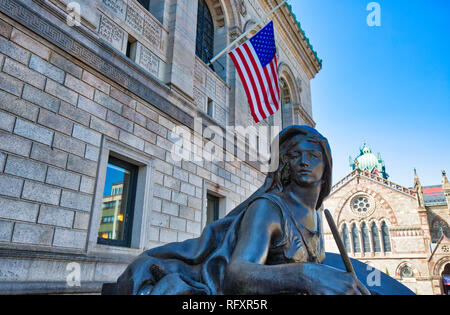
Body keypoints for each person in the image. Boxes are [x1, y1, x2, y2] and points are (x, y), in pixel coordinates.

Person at [115, 126, 370, 295]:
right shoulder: (268, 208)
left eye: (313, 154)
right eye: (295, 155)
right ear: (285, 163)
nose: (304, 161)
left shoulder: (317, 216)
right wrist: (307, 275)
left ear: (327, 165)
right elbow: (237, 275)